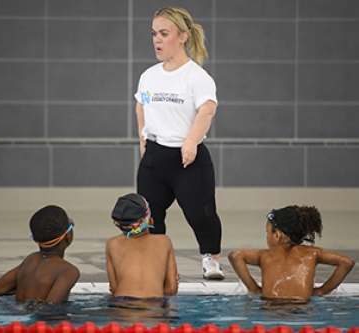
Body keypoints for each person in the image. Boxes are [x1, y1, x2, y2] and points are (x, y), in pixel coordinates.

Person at [134, 6, 223, 279]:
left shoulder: (196, 77)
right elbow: (140, 105)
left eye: (164, 33)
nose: (157, 40)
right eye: (154, 34)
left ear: (183, 36)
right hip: (155, 158)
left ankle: (211, 260)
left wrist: (191, 142)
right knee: (149, 217)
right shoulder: (149, 75)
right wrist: (142, 139)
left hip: (188, 159)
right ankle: (158, 265)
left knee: (201, 214)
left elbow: (207, 110)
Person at [228, 205, 355, 302]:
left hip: (271, 307)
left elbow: (236, 256)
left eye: (267, 233)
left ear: (277, 235)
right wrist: (322, 290)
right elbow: (347, 262)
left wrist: (254, 289)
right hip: (302, 308)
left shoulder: (265, 255)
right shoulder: (312, 253)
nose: (267, 237)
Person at [0, 205, 80, 303]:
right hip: (40, 317)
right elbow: (51, 307)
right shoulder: (68, 271)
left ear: (35, 239)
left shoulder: (31, 259)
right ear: (68, 236)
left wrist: (25, 293)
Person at [106, 193, 179, 307]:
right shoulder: (164, 242)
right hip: (154, 304)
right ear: (150, 221)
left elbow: (115, 289)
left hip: (123, 303)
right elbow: (171, 289)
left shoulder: (112, 244)